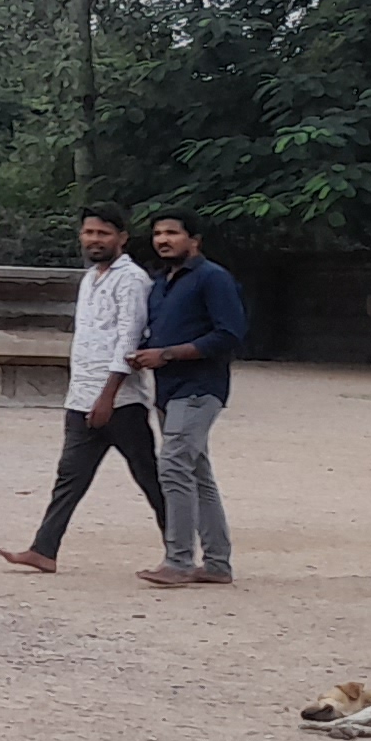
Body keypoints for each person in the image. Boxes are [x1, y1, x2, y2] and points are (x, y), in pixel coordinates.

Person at [0, 206, 161, 574]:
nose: (94, 240)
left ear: (122, 238)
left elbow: (129, 337)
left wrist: (107, 395)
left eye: (103, 234)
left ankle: (181, 549)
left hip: (120, 400)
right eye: (89, 233)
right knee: (69, 478)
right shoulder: (90, 278)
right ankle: (44, 549)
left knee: (148, 475)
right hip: (82, 397)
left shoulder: (131, 279)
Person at [134, 209, 249, 588]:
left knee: (173, 467)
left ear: (194, 240)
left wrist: (167, 354)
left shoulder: (213, 279)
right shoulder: (162, 282)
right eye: (158, 233)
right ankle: (217, 563)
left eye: (172, 233)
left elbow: (229, 334)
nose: (163, 240)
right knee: (197, 472)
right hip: (170, 391)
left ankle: (179, 560)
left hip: (199, 388)